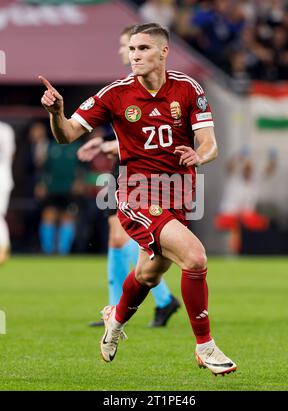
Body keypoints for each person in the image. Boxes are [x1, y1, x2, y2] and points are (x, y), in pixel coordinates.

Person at [39, 23, 237, 376]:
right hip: (137, 194)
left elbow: (209, 143)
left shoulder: (188, 89)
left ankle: (114, 321)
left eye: (143, 49)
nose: (134, 56)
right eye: (131, 49)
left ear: (163, 52)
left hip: (179, 195)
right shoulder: (114, 94)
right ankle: (205, 346)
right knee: (194, 257)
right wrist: (56, 113)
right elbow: (67, 134)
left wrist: (199, 156)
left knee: (148, 273)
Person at [78, 26, 180, 328]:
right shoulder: (123, 89)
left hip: (134, 170)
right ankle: (156, 300)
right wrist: (107, 143)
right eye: (127, 47)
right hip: (121, 167)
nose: (126, 52)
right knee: (119, 236)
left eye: (131, 46)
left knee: (128, 236)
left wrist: (109, 145)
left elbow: (150, 138)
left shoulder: (158, 88)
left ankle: (133, 303)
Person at [0, 121, 15, 264]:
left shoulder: (4, 129)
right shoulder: (6, 129)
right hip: (4, 178)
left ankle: (3, 249)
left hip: (2, 178)